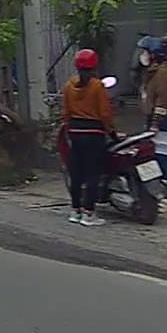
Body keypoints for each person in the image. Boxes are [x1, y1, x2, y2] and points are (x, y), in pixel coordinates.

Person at [61, 48, 114, 227]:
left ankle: (75, 210)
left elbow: (66, 113)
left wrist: (68, 130)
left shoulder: (69, 86)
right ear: (94, 66)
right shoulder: (97, 86)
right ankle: (89, 213)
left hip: (74, 133)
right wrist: (112, 132)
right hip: (94, 134)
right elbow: (105, 113)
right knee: (93, 174)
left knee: (76, 173)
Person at [137, 36, 167, 212]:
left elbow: (163, 101)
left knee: (164, 158)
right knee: (154, 157)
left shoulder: (162, 73)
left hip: (162, 121)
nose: (142, 55)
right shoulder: (152, 72)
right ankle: (160, 193)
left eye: (145, 52)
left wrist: (155, 123)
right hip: (153, 119)